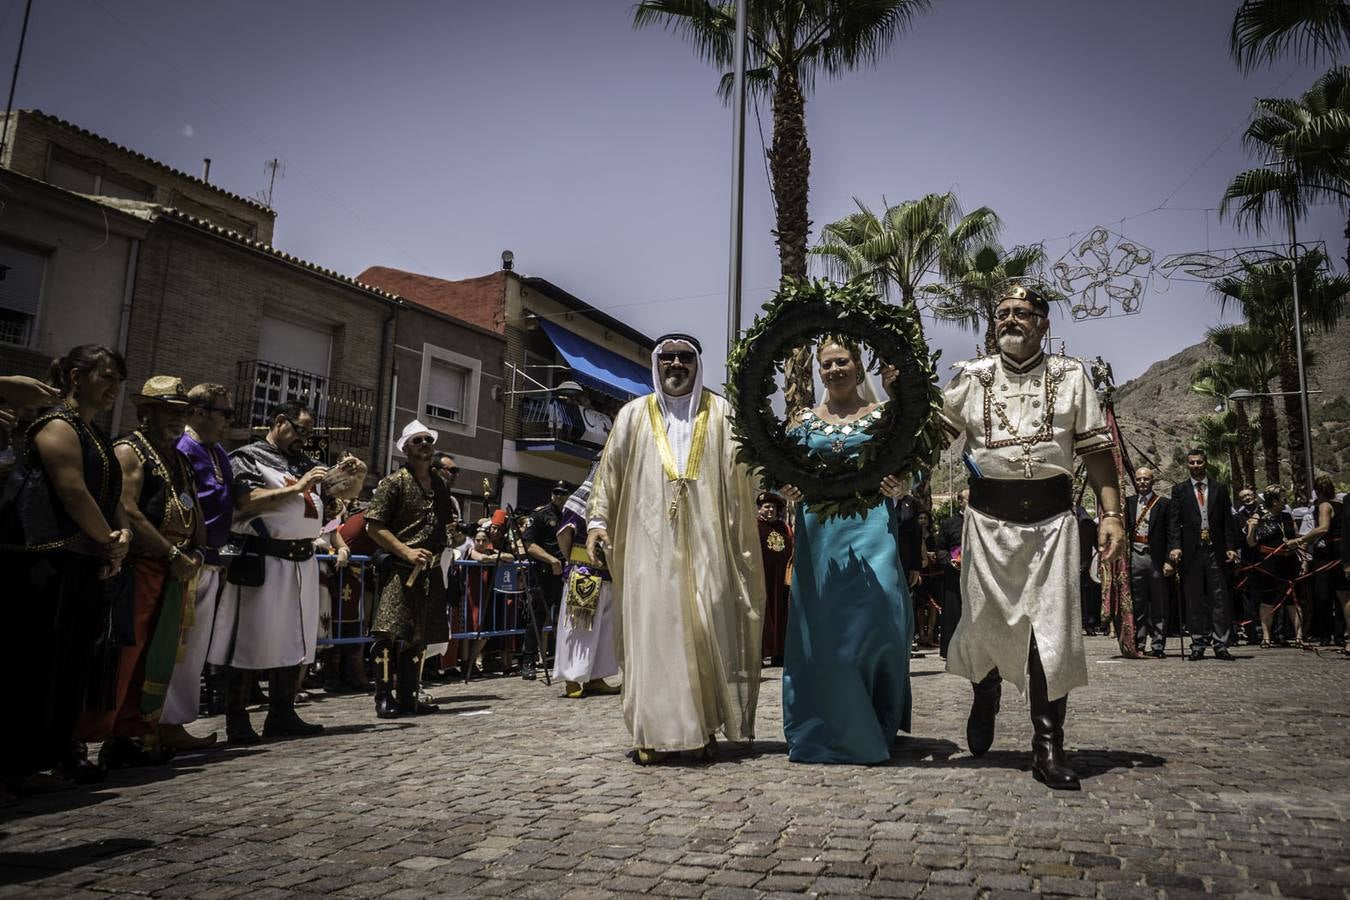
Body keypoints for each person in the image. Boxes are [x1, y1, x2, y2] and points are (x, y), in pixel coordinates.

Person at [938, 283, 1123, 790]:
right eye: (1002, 313)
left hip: (1052, 524)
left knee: (1053, 631)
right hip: (987, 524)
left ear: (1044, 323)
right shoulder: (971, 379)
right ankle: (987, 689)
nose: (1011, 320)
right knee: (983, 623)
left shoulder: (1070, 377)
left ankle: (1047, 745)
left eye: (1023, 313)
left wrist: (1112, 516)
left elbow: (1096, 452)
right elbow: (931, 438)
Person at [586, 333, 765, 765]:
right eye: (668, 358)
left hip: (709, 544)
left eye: (685, 358)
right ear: (657, 363)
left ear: (697, 364)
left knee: (705, 632)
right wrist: (596, 523)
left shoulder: (723, 413)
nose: (676, 365)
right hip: (648, 547)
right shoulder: (632, 416)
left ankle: (701, 727)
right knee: (654, 633)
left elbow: (751, 470)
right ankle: (652, 732)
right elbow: (608, 474)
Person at [775, 337, 912, 765]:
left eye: (843, 362)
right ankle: (828, 726)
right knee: (827, 632)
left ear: (858, 366)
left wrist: (904, 483)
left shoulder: (885, 417)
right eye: (827, 364)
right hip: (820, 536)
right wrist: (787, 486)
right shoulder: (802, 423)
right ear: (819, 370)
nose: (834, 370)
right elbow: (782, 468)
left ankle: (878, 715)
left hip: (873, 527)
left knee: (878, 620)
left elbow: (913, 462)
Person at [0, 346, 130, 793]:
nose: (113, 387)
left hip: (84, 562)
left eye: (117, 379)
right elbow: (73, 492)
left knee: (73, 663)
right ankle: (17, 760)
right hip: (48, 560)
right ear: (75, 377)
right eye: (105, 376)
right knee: (36, 661)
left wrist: (121, 535)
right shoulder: (57, 425)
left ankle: (56, 751)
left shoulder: (94, 432)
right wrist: (108, 540)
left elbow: (112, 496)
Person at [76, 376, 204, 768]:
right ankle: (79, 742)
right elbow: (128, 509)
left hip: (174, 569)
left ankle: (130, 733)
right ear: (145, 412)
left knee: (156, 655)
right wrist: (170, 553)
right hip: (140, 566)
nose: (176, 419)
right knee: (120, 655)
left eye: (181, 412)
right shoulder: (130, 451)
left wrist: (195, 550)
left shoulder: (178, 458)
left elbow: (191, 508)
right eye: (168, 410)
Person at [209, 401, 345, 742]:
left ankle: (282, 713)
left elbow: (335, 501)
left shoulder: (305, 462)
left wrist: (348, 477)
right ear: (279, 421)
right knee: (247, 639)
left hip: (300, 561)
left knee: (294, 639)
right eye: (301, 430)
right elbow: (246, 500)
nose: (305, 438)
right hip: (261, 559)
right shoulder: (247, 457)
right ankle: (237, 720)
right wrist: (297, 487)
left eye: (309, 433)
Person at [158, 383, 236, 752]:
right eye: (225, 413)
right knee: (176, 645)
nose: (229, 420)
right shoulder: (182, 449)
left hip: (210, 558)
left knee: (193, 649)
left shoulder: (218, 451)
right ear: (199, 412)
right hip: (184, 559)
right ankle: (160, 723)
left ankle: (176, 722)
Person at [365, 420, 453, 718]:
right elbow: (374, 526)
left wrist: (440, 547)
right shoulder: (393, 483)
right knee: (387, 632)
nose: (425, 445)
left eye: (429, 440)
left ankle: (408, 695)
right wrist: (406, 551)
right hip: (399, 569)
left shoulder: (440, 485)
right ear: (405, 448)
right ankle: (383, 696)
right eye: (418, 441)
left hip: (428, 570)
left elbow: (443, 526)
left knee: (420, 635)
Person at [551, 463, 620, 698]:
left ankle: (596, 677)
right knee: (579, 626)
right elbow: (563, 533)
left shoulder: (617, 501)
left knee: (605, 628)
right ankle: (573, 678)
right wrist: (573, 560)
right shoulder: (579, 501)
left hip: (609, 573)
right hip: (584, 573)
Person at [1167, 449, 1241, 661]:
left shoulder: (1219, 488)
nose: (1196, 465)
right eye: (1192, 462)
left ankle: (1220, 643)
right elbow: (1174, 522)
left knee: (1219, 598)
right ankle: (1198, 643)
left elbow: (1227, 520)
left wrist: (1231, 546)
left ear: (1205, 463)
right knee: (1194, 599)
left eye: (1199, 462)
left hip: (1215, 550)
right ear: (1187, 465)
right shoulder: (1179, 490)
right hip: (1192, 551)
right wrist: (1175, 545)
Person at [521, 481, 571, 680]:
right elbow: (529, 544)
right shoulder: (540, 515)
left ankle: (564, 660)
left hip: (566, 574)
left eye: (563, 492)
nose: (559, 495)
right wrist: (551, 560)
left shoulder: (570, 515)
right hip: (544, 573)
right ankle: (528, 661)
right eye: (556, 492)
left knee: (566, 619)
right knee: (537, 618)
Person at [1125, 467, 1175, 658]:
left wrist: (1170, 560)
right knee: (1138, 603)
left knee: (1159, 602)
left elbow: (1172, 533)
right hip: (1135, 555)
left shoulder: (1163, 504)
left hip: (1156, 557)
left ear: (1153, 481)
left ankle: (1158, 644)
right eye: (1139, 479)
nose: (1142, 482)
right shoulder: (1128, 503)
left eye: (1146, 479)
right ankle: (1138, 643)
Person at [1292, 476, 1345, 649]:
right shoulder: (1341, 505)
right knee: (1340, 597)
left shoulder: (1323, 506)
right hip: (1340, 553)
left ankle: (1326, 634)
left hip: (1328, 554)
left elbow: (1323, 528)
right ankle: (1338, 635)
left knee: (1323, 596)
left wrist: (1299, 541)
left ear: (1318, 491)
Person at [1244, 485, 1300, 648]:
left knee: (1292, 600)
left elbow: (1296, 537)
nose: (1286, 501)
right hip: (1268, 564)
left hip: (1289, 561)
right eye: (1283, 498)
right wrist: (1252, 527)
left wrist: (1303, 560)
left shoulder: (1287, 516)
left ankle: (1299, 636)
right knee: (1267, 600)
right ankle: (1266, 636)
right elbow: (1251, 542)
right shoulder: (1259, 516)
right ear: (1274, 501)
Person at [756, 491, 793, 666]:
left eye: (773, 507)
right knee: (763, 614)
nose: (770, 510)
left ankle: (779, 652)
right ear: (760, 509)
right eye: (767, 506)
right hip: (762, 577)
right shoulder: (754, 526)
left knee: (781, 613)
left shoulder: (783, 527)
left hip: (781, 580)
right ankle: (761, 653)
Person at [934, 490, 967, 658]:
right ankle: (951, 650)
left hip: (976, 574)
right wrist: (950, 561)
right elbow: (940, 548)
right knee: (953, 612)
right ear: (960, 502)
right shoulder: (949, 523)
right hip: (954, 574)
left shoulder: (983, 522)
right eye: (968, 499)